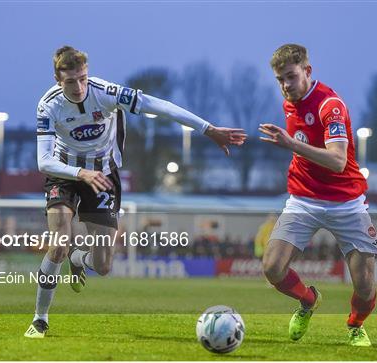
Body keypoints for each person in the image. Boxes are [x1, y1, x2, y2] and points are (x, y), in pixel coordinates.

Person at [24, 46, 247, 338]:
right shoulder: (48, 105)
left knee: (103, 266)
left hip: (103, 176)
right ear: (57, 79)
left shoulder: (106, 92)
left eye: (82, 78)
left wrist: (208, 129)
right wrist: (80, 172)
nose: (78, 87)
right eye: (70, 81)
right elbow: (44, 161)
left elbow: (161, 106)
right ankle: (40, 319)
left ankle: (79, 259)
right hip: (63, 174)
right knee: (58, 243)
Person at [259, 44, 377, 347]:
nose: (285, 85)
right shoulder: (291, 101)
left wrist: (291, 145)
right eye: (279, 79)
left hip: (347, 202)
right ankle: (309, 300)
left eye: (290, 76)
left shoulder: (330, 105)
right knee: (272, 268)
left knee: (365, 286)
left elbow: (338, 161)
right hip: (303, 200)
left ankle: (355, 324)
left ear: (307, 71)